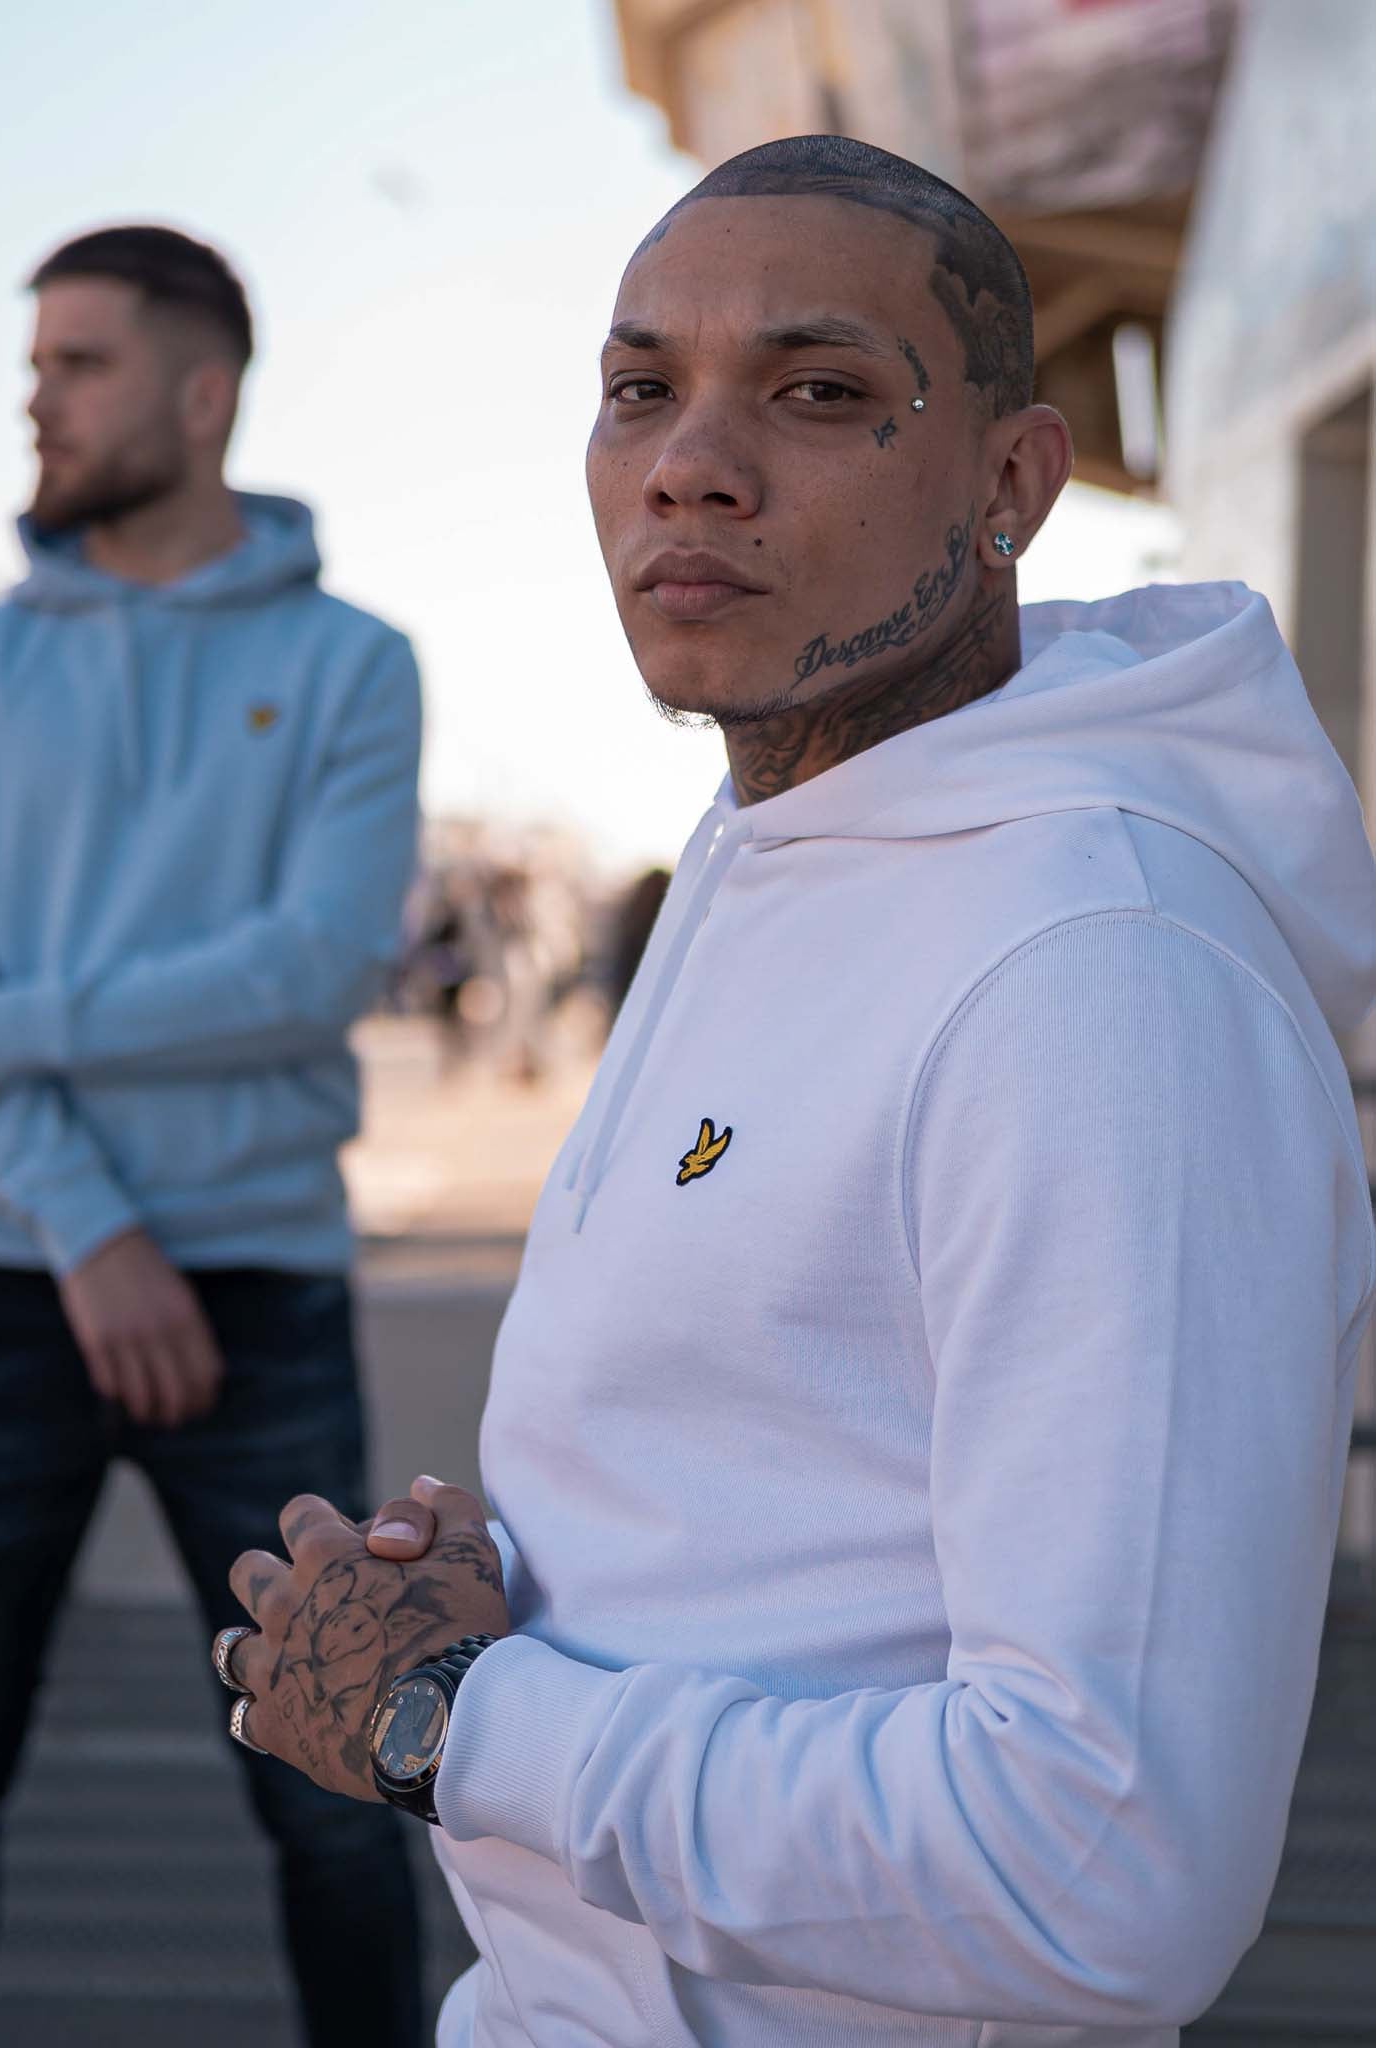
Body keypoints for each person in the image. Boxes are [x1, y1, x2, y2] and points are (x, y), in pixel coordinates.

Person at [217, 136, 1376, 2045]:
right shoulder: (778, 837)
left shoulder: (1094, 974)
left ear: (1010, 483)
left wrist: (454, 1718)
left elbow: (1100, 1864)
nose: (690, 462)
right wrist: (549, 1581)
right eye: (638, 389)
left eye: (819, 390)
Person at [0, 225, 427, 2046]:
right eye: (35, 364)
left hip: (261, 1284)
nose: (36, 400)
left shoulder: (353, 664)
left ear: (202, 396)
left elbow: (312, 967)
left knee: (338, 1793)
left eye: (80, 364)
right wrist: (93, 1235)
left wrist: (20, 1031)